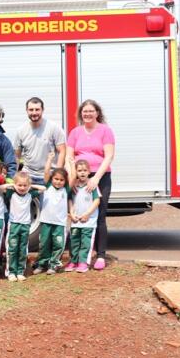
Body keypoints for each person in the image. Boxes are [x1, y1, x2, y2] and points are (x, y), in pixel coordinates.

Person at [66, 99, 115, 271]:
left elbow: (108, 156)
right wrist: (72, 178)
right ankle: (77, 257)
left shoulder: (105, 131)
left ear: (97, 113)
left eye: (90, 111)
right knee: (77, 214)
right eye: (84, 111)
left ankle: (100, 255)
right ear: (81, 114)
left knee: (99, 215)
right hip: (79, 177)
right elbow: (70, 158)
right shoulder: (75, 132)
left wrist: (96, 178)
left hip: (100, 176)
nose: (87, 114)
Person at [3, 172, 46, 282]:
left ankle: (20, 272)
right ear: (15, 185)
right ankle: (11, 272)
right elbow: (0, 188)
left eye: (24, 185)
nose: (22, 188)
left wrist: (31, 186)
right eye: (19, 185)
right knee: (12, 248)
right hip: (14, 225)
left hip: (25, 225)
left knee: (22, 249)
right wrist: (12, 185)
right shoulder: (11, 194)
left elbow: (43, 188)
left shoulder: (30, 195)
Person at [32, 153, 70, 275]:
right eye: (56, 179)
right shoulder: (48, 186)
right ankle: (42, 264)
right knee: (44, 244)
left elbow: (73, 177)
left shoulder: (66, 190)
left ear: (65, 181)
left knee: (58, 244)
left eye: (61, 180)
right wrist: (49, 159)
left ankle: (54, 264)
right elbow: (47, 172)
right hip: (46, 221)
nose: (58, 182)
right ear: (52, 179)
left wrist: (71, 164)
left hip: (59, 223)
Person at [14, 97, 66, 185]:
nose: (34, 113)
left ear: (42, 110)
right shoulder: (20, 130)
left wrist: (57, 174)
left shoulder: (54, 128)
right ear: (27, 110)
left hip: (48, 175)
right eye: (31, 110)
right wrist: (15, 176)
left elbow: (62, 151)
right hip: (27, 176)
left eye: (37, 109)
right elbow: (17, 157)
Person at [65, 159, 102, 273]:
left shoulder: (92, 185)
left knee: (86, 242)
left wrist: (87, 214)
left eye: (85, 170)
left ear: (89, 171)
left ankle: (83, 262)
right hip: (76, 221)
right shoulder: (74, 186)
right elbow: (70, 200)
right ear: (76, 172)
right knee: (74, 242)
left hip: (88, 221)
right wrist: (71, 213)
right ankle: (74, 261)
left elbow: (97, 201)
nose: (82, 173)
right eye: (79, 170)